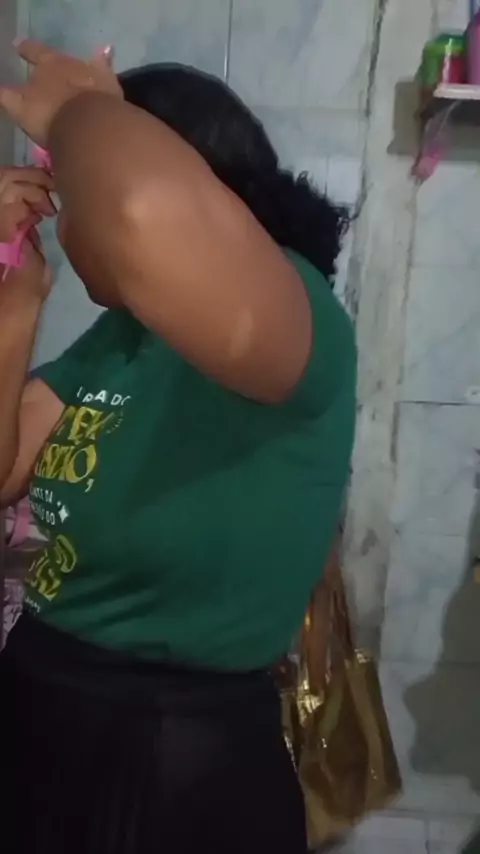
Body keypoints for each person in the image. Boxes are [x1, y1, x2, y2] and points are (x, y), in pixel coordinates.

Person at [0, 41, 356, 854]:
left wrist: (76, 114)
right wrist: (16, 304)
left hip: (176, 757)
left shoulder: (293, 312)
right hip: (42, 713)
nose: (70, 220)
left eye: (76, 193)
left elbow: (140, 206)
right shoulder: (120, 338)